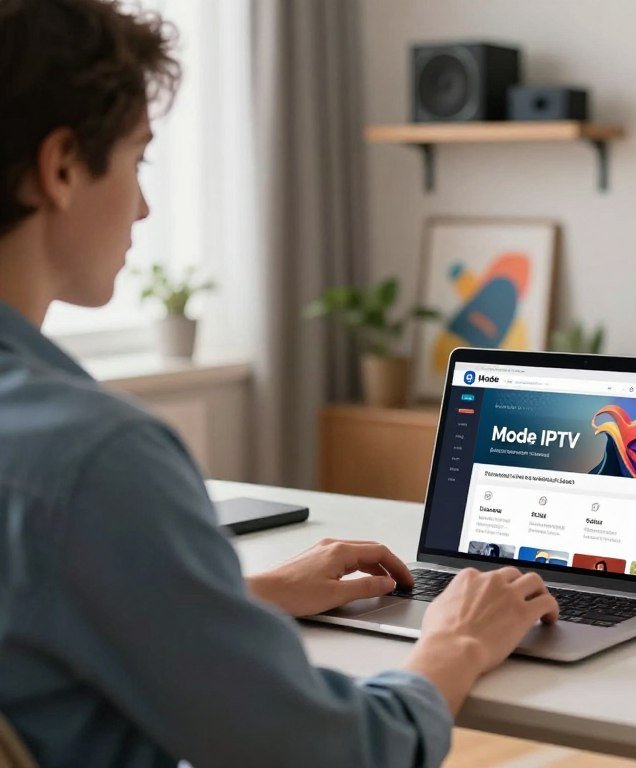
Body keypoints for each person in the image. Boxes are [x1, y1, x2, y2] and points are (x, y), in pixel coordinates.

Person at [0, 2, 559, 767]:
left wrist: (238, 600)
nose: (142, 206)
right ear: (61, 167)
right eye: (138, 160)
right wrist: (455, 644)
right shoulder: (96, 459)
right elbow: (334, 755)